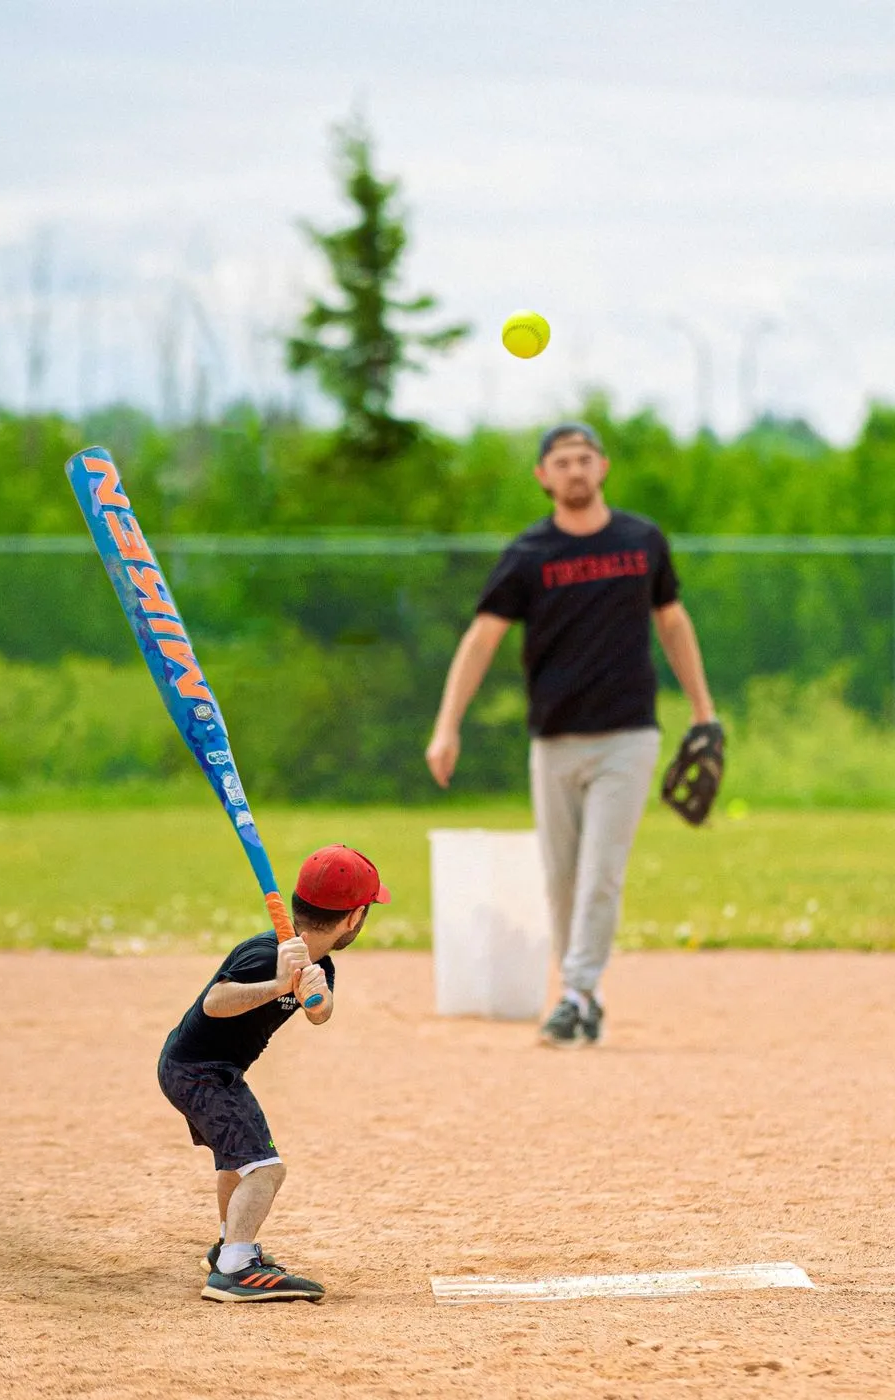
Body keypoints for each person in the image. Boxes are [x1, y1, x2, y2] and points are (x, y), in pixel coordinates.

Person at [425, 421, 717, 1045]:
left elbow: (672, 622)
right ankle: (585, 998)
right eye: (561, 461)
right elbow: (481, 640)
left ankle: (577, 989)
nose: (575, 470)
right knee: (560, 879)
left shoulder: (641, 540)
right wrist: (447, 724)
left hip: (628, 736)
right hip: (554, 739)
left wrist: (703, 709)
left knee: (600, 872)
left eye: (585, 458)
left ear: (603, 466)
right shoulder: (529, 554)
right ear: (543, 476)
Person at [158, 844, 390, 1304]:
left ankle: (228, 1246)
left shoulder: (316, 962)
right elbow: (214, 1002)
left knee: (235, 1163)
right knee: (266, 1170)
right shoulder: (268, 955)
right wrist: (282, 984)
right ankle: (236, 1269)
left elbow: (318, 1014)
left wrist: (314, 994)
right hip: (198, 1072)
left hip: (210, 1071)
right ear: (353, 918)